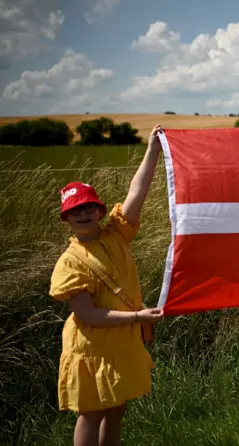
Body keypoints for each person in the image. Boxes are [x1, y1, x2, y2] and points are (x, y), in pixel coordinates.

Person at [49, 125, 166, 445]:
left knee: (117, 409)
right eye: (75, 210)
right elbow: (87, 315)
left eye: (88, 207)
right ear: (67, 219)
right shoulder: (70, 262)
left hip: (120, 344)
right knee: (92, 413)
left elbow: (136, 193)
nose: (83, 213)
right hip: (92, 348)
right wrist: (138, 318)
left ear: (99, 211)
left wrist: (152, 150)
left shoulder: (116, 234)